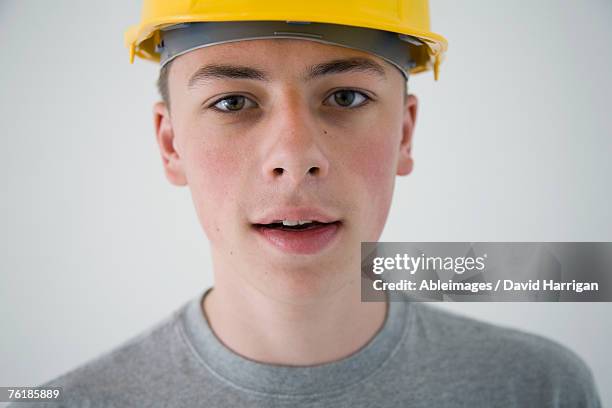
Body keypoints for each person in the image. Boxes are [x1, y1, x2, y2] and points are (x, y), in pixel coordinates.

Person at [11, 1, 601, 406]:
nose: (295, 156)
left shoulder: (537, 389)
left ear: (404, 133)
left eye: (345, 96)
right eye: (232, 103)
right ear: (171, 145)